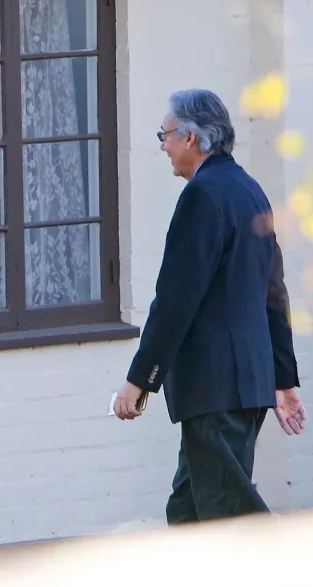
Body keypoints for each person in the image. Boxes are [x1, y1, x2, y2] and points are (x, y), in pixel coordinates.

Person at [112, 89, 307, 524]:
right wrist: (283, 378)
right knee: (188, 515)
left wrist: (139, 380)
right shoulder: (249, 191)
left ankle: (294, 569)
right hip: (244, 386)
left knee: (230, 521)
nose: (162, 146)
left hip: (215, 388)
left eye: (165, 135)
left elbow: (176, 300)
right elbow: (273, 293)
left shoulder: (202, 196)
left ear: (191, 139)